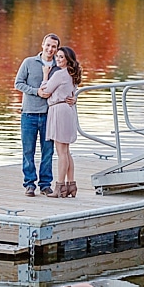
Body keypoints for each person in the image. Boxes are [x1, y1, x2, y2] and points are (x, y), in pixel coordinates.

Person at [14, 33, 62, 197]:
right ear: (42, 44)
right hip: (29, 114)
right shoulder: (29, 62)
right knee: (28, 150)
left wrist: (71, 97)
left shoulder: (59, 66)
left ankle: (45, 185)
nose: (50, 49)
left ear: (56, 49)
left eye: (54, 47)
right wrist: (36, 92)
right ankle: (29, 184)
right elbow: (18, 83)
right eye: (48, 45)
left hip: (49, 115)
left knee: (48, 151)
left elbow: (66, 85)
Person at [41, 46, 82, 198]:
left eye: (61, 57)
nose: (57, 59)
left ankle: (59, 187)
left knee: (61, 152)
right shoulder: (72, 74)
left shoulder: (59, 74)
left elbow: (45, 91)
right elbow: (72, 92)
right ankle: (71, 185)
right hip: (67, 110)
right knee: (66, 151)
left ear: (67, 60)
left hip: (59, 111)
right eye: (57, 56)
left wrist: (45, 75)